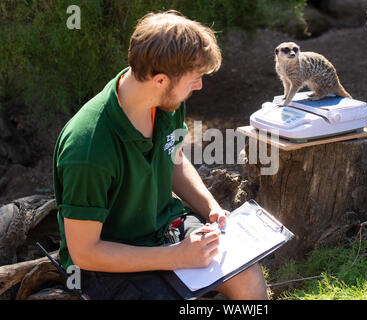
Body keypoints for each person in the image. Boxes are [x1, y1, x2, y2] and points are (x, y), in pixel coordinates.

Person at [52, 10, 268, 300]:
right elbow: (85, 253)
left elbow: (174, 157)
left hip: (167, 230)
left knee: (246, 273)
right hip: (109, 265)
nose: (200, 86)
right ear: (160, 80)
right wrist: (177, 256)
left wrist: (210, 207)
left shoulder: (166, 103)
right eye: (195, 78)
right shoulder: (88, 148)